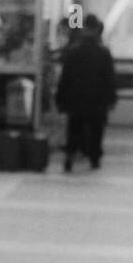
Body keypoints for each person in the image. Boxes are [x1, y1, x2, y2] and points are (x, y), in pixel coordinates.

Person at [54, 13, 117, 172]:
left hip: (76, 99)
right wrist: (111, 99)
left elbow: (65, 77)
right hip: (97, 100)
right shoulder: (103, 52)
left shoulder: (74, 51)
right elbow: (109, 78)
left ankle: (70, 156)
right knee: (96, 130)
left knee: (74, 129)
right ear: (97, 29)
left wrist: (60, 99)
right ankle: (94, 158)